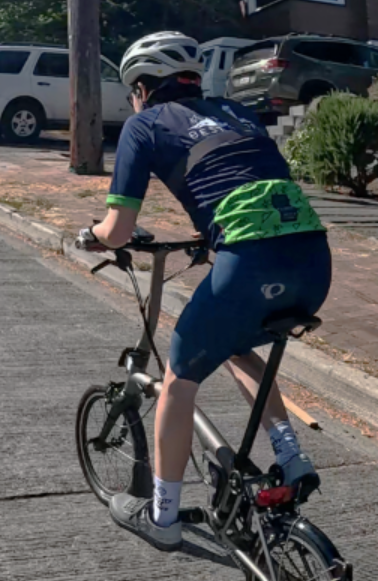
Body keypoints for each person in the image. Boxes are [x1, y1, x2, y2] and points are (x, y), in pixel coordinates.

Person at [77, 31, 333, 551]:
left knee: (178, 378)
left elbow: (120, 230)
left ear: (143, 87)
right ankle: (290, 454)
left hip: (247, 262)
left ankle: (163, 517)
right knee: (237, 341)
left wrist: (94, 236)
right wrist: (207, 235)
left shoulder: (143, 125)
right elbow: (243, 184)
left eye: (132, 93)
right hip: (313, 261)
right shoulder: (238, 113)